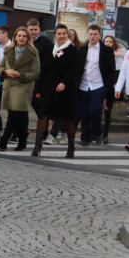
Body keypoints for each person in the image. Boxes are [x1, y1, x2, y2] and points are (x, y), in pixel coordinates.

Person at [33, 24, 81, 158]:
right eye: (59, 34)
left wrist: (64, 82)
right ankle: (37, 146)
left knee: (68, 119)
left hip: (66, 90)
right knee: (42, 116)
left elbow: (73, 70)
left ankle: (71, 146)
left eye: (63, 34)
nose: (61, 36)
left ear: (67, 35)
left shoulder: (72, 51)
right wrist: (38, 88)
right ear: (54, 36)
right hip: (48, 89)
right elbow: (43, 70)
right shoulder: (49, 49)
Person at [0, 26, 39, 152]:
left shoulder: (32, 52)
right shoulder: (9, 50)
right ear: (15, 37)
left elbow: (35, 73)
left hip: (23, 88)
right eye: (19, 35)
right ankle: (22, 141)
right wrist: (5, 71)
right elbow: (0, 67)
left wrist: (19, 75)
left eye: (24, 36)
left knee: (13, 115)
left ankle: (3, 142)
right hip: (9, 86)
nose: (21, 38)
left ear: (28, 38)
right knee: (20, 116)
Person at [76, 25, 115, 147]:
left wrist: (107, 88)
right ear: (87, 35)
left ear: (99, 36)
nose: (92, 36)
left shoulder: (107, 51)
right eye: (91, 34)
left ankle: (98, 133)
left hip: (98, 86)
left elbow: (111, 71)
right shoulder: (82, 50)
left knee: (94, 110)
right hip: (83, 85)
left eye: (95, 34)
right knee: (84, 113)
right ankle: (85, 138)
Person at [102, 35, 126, 145]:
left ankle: (105, 135)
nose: (108, 43)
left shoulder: (119, 55)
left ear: (114, 43)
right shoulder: (100, 53)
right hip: (100, 85)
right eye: (106, 41)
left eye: (110, 42)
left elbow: (119, 73)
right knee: (95, 112)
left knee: (107, 112)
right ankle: (95, 133)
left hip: (112, 86)